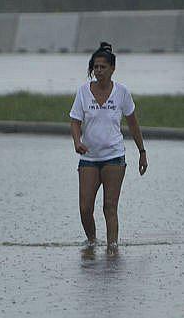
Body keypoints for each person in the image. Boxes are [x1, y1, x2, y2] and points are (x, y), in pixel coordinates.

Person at [69, 41, 147, 253]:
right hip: (89, 158)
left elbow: (133, 124)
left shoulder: (122, 92)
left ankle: (113, 249)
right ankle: (92, 243)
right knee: (85, 208)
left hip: (114, 157)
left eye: (103, 67)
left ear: (112, 69)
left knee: (109, 207)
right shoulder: (83, 92)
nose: (99, 71)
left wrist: (142, 152)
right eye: (95, 67)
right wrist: (77, 141)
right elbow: (75, 121)